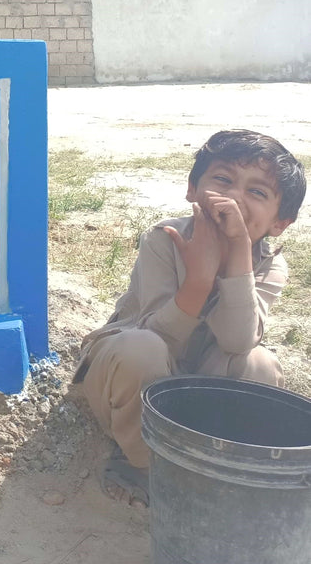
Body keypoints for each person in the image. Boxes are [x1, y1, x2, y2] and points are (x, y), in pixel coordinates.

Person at [74, 129, 306, 507]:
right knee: (139, 347)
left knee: (260, 364)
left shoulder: (270, 264)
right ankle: (144, 465)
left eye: (257, 192)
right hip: (134, 382)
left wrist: (237, 258)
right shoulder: (164, 239)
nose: (234, 198)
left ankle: (213, 464)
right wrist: (198, 278)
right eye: (223, 179)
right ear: (192, 189)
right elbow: (159, 339)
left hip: (201, 391)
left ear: (280, 223)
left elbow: (236, 341)